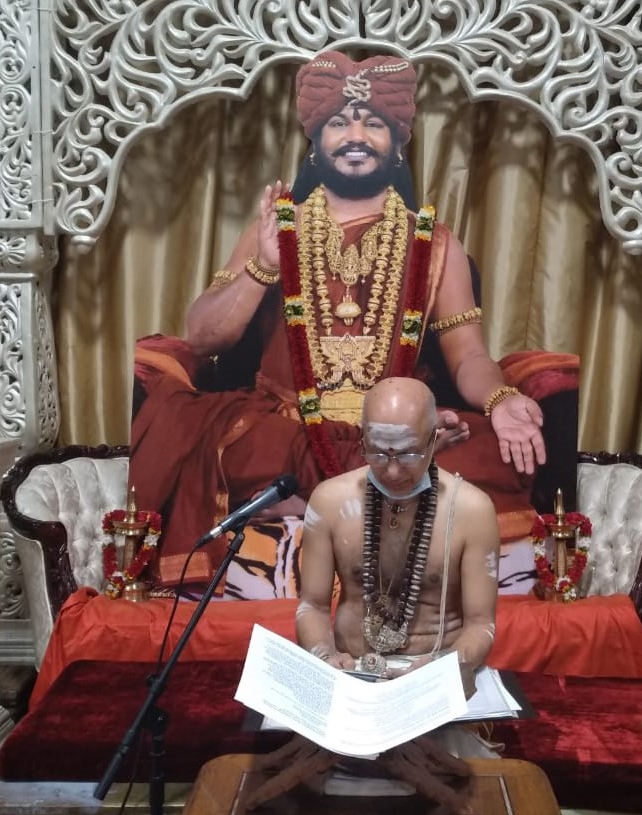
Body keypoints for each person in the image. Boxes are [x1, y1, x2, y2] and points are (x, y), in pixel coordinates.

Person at [131, 50, 562, 588]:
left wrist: (501, 401)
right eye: (338, 122)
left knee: (495, 454)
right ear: (315, 139)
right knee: (229, 446)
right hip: (286, 427)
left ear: (397, 141)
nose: (355, 135)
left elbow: (469, 355)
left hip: (398, 435)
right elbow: (202, 337)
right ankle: (362, 502)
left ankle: (314, 501)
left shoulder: (435, 243)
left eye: (373, 123)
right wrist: (263, 268)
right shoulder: (277, 227)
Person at [296, 376, 500, 680]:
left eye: (409, 454)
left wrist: (444, 668)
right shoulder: (329, 500)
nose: (392, 471)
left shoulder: (472, 509)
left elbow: (480, 624)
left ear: (433, 440)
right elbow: (313, 606)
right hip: (351, 670)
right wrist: (325, 657)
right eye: (378, 453)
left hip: (437, 670)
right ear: (363, 440)